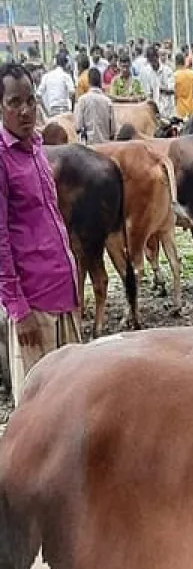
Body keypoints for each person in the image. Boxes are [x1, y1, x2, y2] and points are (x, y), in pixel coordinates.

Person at [0, 62, 81, 404]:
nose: (25, 110)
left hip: (65, 292)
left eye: (31, 101)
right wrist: (19, 310)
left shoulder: (35, 149)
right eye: (14, 102)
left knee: (76, 403)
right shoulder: (2, 159)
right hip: (35, 305)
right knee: (41, 413)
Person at [75, 68, 115, 144]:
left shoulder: (82, 100)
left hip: (89, 146)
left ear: (89, 81)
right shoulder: (108, 101)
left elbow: (78, 126)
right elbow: (113, 130)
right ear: (100, 81)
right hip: (106, 146)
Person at [35, 53, 74, 117]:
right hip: (65, 111)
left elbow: (38, 96)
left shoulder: (47, 76)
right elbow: (72, 93)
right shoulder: (66, 76)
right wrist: (72, 110)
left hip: (52, 112)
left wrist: (46, 112)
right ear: (66, 64)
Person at [172, 53, 193, 119]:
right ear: (184, 62)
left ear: (175, 62)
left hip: (180, 109)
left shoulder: (174, 76)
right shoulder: (191, 73)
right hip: (192, 107)